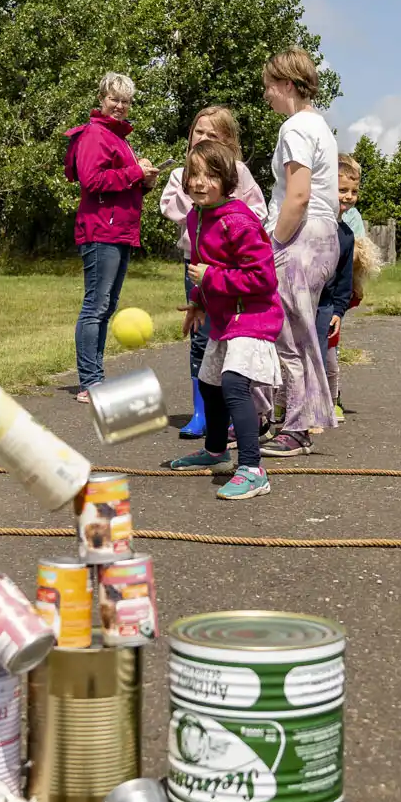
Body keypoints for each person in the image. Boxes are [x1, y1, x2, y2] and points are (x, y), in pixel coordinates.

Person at [162, 140, 280, 500]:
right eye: (193, 174)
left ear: (227, 179)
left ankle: (252, 469)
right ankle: (216, 452)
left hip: (254, 316)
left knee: (232, 384)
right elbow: (201, 267)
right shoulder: (196, 217)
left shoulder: (238, 221)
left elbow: (264, 279)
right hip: (226, 316)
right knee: (209, 382)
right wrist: (198, 302)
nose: (199, 182)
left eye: (210, 175)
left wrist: (211, 280)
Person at [160, 106, 267, 438]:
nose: (203, 138)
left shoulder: (239, 173)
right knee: (199, 335)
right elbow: (168, 206)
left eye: (212, 134)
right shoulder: (181, 174)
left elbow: (260, 211)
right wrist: (195, 192)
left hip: (229, 266)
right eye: (198, 132)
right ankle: (201, 412)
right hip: (195, 265)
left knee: (232, 336)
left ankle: (237, 410)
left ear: (228, 141)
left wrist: (228, 207)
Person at [260, 48, 341, 455]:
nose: (267, 95)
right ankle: (300, 421)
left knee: (289, 336)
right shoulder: (321, 127)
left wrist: (274, 242)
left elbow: (299, 195)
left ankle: (296, 427)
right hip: (323, 237)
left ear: (288, 85)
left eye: (269, 87)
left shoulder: (294, 128)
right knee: (301, 331)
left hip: (300, 239)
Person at [64, 72, 157, 400]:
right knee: (96, 305)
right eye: (114, 99)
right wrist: (135, 172)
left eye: (125, 101)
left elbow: (119, 182)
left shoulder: (119, 138)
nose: (119, 105)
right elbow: (92, 180)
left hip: (118, 229)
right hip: (101, 229)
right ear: (101, 99)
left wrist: (145, 181)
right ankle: (90, 381)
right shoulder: (95, 134)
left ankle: (95, 377)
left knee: (105, 305)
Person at [316, 155, 363, 423]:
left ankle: (328, 402)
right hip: (303, 300)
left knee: (327, 359)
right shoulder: (311, 224)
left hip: (327, 305)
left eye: (353, 192)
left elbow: (345, 279)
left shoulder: (346, 234)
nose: (348, 196)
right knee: (293, 357)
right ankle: (285, 404)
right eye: (342, 190)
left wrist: (339, 310)